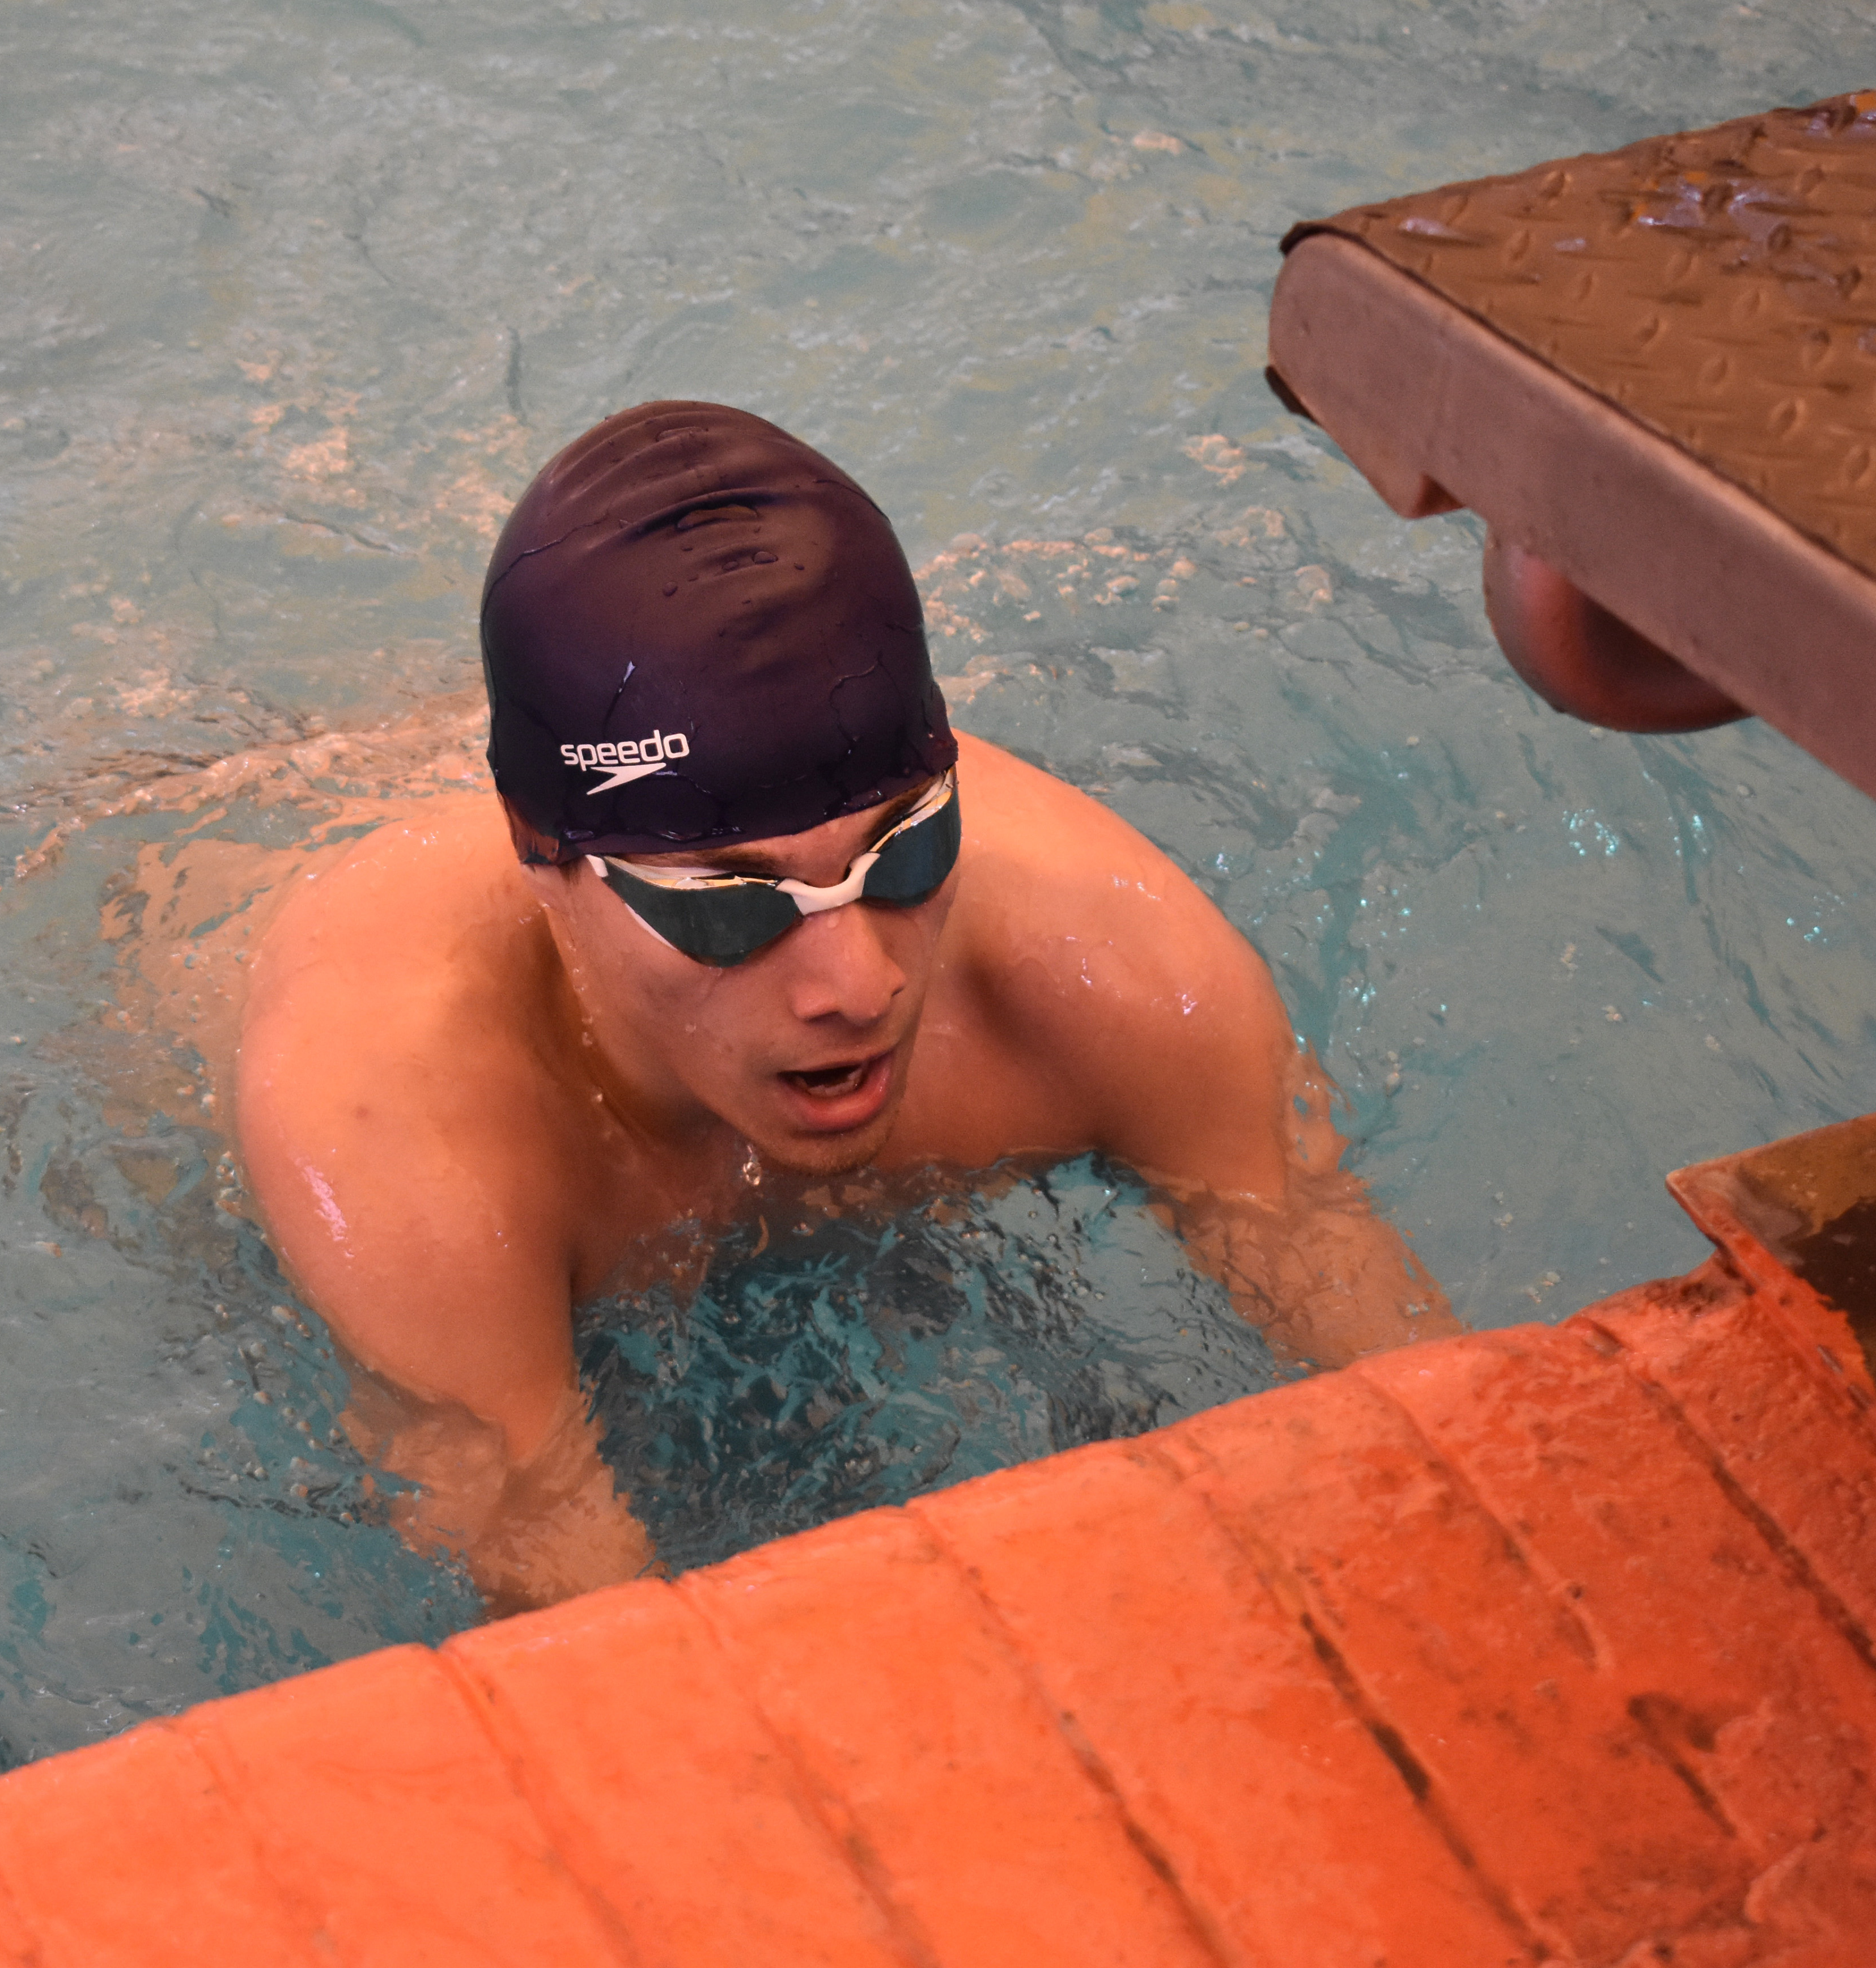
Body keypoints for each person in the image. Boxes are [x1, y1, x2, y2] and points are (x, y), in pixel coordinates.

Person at [235, 400, 1450, 1611]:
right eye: (732, 904)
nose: (861, 986)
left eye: (904, 850)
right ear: (538, 851)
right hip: (257, 856)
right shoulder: (397, 1127)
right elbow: (591, 1644)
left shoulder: (1117, 978)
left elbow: (1437, 1428)